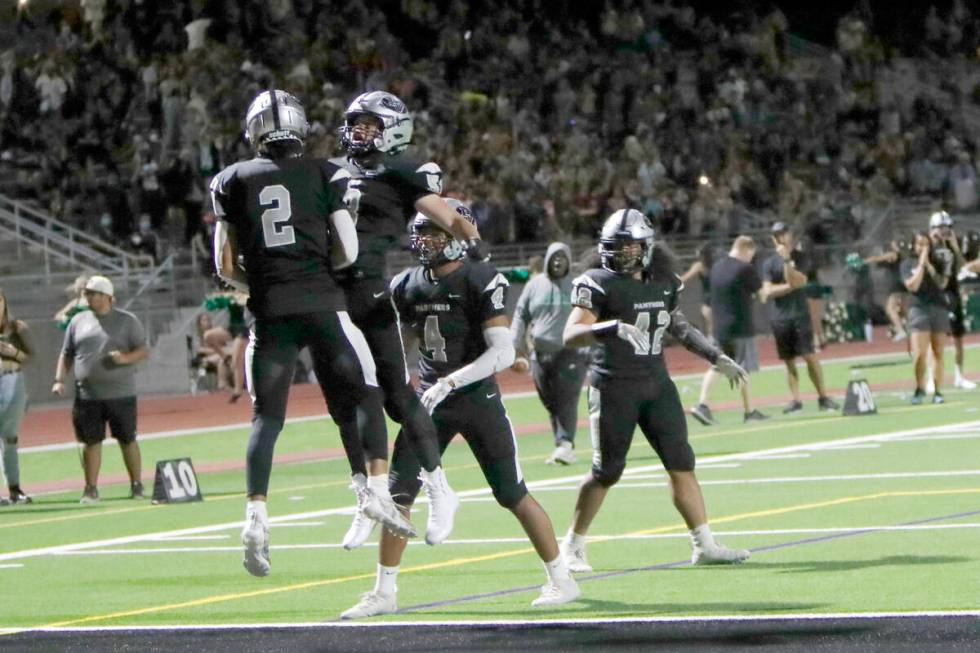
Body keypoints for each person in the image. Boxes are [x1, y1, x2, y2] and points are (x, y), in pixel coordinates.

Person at [210, 89, 415, 578]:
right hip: (324, 304)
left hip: (270, 311)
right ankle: (376, 490)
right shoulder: (328, 172)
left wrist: (257, 280)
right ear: (300, 127)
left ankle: (256, 517)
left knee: (266, 419)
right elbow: (345, 247)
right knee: (366, 392)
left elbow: (223, 264)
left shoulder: (230, 179)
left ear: (254, 129)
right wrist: (323, 271)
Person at [341, 202, 580, 619]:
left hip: (475, 399)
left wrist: (451, 381)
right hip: (428, 401)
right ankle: (384, 592)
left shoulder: (480, 278)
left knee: (511, 493)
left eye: (435, 234)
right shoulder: (408, 283)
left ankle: (561, 578)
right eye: (422, 234)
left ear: (456, 240)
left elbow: (502, 352)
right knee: (399, 495)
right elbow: (403, 344)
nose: (425, 242)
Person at [331, 90, 488, 548]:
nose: (360, 131)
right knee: (346, 400)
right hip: (329, 293)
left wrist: (477, 250)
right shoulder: (334, 170)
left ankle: (439, 488)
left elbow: (451, 217)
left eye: (370, 124)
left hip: (369, 291)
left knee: (398, 396)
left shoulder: (404, 169)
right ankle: (366, 492)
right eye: (356, 123)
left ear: (393, 129)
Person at [559, 209, 751, 574]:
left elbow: (677, 324)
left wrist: (715, 355)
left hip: (656, 384)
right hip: (614, 385)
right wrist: (610, 326)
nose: (622, 253)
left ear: (646, 247)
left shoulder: (664, 281)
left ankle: (704, 544)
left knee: (682, 463)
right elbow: (569, 335)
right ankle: (572, 544)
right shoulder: (596, 281)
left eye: (630, 246)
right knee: (606, 471)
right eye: (616, 247)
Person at [52, 276, 148, 503]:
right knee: (91, 441)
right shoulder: (78, 321)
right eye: (87, 293)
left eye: (93, 293)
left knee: (127, 439)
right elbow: (67, 353)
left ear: (107, 296)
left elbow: (143, 350)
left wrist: (125, 358)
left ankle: (136, 484)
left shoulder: (127, 321)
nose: (89, 297)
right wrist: (59, 379)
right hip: (88, 394)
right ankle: (91, 488)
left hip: (121, 392)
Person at [510, 242, 588, 465]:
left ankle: (566, 445)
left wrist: (590, 345)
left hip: (571, 351)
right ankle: (561, 444)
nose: (557, 262)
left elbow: (593, 314)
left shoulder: (577, 285)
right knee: (550, 401)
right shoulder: (534, 285)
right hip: (540, 354)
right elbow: (520, 314)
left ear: (568, 261)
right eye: (554, 258)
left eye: (562, 258)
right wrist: (514, 343)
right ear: (547, 261)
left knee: (566, 399)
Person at [761, 222, 839, 414]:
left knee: (809, 356)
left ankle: (823, 396)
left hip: (799, 315)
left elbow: (799, 280)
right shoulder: (769, 263)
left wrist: (787, 261)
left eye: (784, 234)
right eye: (778, 235)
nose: (782, 238)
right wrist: (789, 286)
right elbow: (767, 291)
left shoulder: (801, 257)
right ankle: (796, 400)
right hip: (780, 318)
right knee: (789, 361)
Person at [690, 236, 768, 425]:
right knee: (735, 367)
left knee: (722, 365)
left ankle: (708, 406)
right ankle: (744, 412)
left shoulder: (717, 266)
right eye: (751, 254)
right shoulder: (745, 268)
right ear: (747, 250)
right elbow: (763, 296)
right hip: (740, 326)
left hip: (720, 327)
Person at [928, 211, 975, 390]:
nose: (945, 231)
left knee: (958, 338)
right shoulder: (928, 245)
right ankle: (932, 378)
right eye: (941, 227)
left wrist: (955, 248)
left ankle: (959, 376)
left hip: (952, 294)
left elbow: (964, 267)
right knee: (935, 339)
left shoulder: (952, 246)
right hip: (935, 296)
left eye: (947, 227)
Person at [902, 231, 950, 404]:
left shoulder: (938, 261)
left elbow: (942, 284)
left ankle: (938, 391)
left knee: (938, 352)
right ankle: (919, 388)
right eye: (919, 244)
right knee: (920, 354)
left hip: (938, 307)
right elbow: (912, 286)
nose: (923, 247)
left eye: (926, 244)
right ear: (913, 246)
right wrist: (921, 265)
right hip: (919, 309)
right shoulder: (908, 263)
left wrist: (929, 266)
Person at [0, 289, 33, 504]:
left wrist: (13, 353)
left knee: (10, 437)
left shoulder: (16, 327)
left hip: (13, 379)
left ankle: (15, 488)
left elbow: (30, 358)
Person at [864, 240, 908, 341]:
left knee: (890, 308)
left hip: (896, 284)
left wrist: (863, 261)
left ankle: (901, 331)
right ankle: (910, 329)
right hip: (903, 283)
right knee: (903, 310)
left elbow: (878, 258)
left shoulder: (894, 254)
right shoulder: (904, 255)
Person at [678, 243, 717, 337]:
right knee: (712, 326)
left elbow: (685, 278)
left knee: (710, 326)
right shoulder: (717, 263)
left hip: (708, 298)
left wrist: (673, 281)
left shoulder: (699, 265)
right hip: (717, 296)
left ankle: (711, 344)